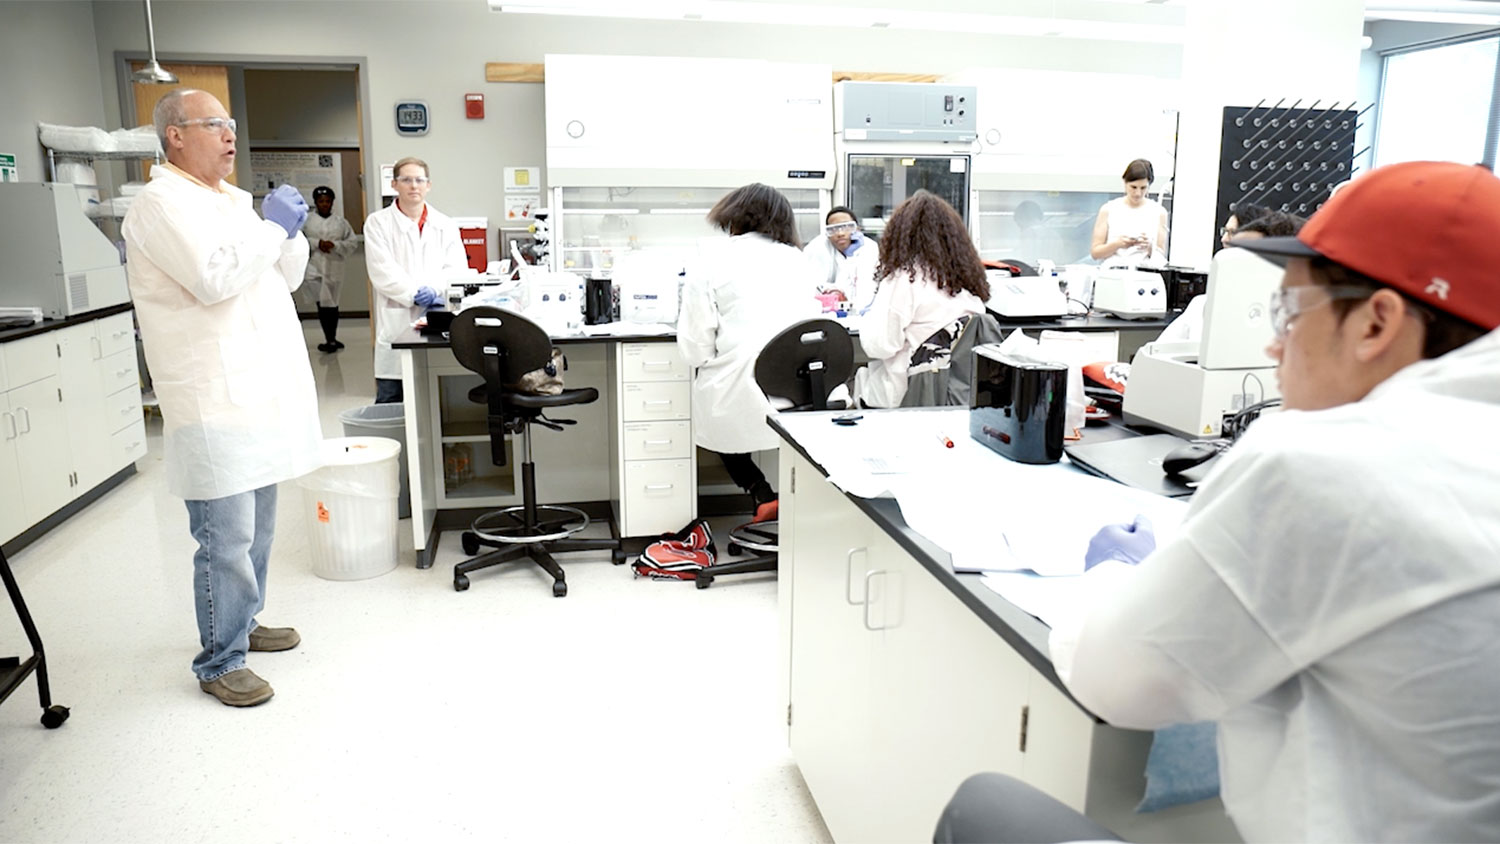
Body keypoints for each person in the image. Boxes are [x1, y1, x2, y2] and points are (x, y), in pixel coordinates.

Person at [1050, 161, 1500, 841]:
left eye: (1290, 312)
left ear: (1376, 323)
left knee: (986, 806)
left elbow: (1113, 679)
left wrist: (1117, 574)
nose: (1272, 342)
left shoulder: (1323, 462)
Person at [121, 89, 322, 708]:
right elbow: (214, 279)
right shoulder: (158, 205)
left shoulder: (231, 201)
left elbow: (282, 278)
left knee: (258, 532)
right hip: (212, 397)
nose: (230, 134)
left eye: (232, 124)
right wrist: (268, 228)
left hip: (258, 394)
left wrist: (287, 234)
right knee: (224, 537)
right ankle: (219, 659)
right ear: (175, 135)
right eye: (215, 124)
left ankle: (244, 622)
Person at [678, 183, 820, 521]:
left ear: (732, 217)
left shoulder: (711, 259)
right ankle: (795, 502)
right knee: (782, 430)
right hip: (800, 391)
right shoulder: (800, 260)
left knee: (713, 397)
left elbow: (694, 350)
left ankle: (760, 490)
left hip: (738, 391)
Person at [853, 191, 990, 408]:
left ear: (900, 236)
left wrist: (867, 317)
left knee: (858, 379)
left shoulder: (905, 279)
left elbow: (879, 346)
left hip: (906, 395)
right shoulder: (969, 284)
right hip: (956, 396)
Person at [364, 156, 468, 403]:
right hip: (396, 319)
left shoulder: (445, 224)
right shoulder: (378, 223)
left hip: (436, 314)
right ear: (394, 185)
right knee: (392, 397)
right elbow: (382, 270)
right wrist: (413, 294)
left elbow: (456, 268)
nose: (414, 186)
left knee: (432, 395)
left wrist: (435, 290)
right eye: (406, 180)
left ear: (428, 185)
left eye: (419, 180)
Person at [1158, 210, 1307, 343]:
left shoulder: (1294, 318)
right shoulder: (1203, 306)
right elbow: (1158, 352)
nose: (1224, 239)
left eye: (1232, 233)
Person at [303, 185, 360, 353]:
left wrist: (334, 245)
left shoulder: (341, 223)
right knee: (322, 305)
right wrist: (316, 243)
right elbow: (297, 241)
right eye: (321, 201)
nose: (324, 204)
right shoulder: (307, 221)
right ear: (315, 202)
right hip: (314, 269)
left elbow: (352, 243)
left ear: (332, 202)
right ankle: (329, 339)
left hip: (334, 268)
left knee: (333, 305)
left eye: (328, 201)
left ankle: (332, 339)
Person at [1090, 158, 1168, 267]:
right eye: (1133, 187)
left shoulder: (1159, 212)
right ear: (1125, 183)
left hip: (1144, 272)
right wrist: (1117, 244)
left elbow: (1161, 254)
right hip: (1112, 272)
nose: (1138, 193)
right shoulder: (1109, 209)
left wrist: (1149, 247)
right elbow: (1095, 253)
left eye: (1143, 188)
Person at [803, 206, 879, 314]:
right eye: (833, 229)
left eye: (847, 227)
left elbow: (866, 289)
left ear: (857, 229)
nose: (840, 234)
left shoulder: (869, 248)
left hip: (863, 316)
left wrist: (851, 258)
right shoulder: (818, 247)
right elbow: (811, 285)